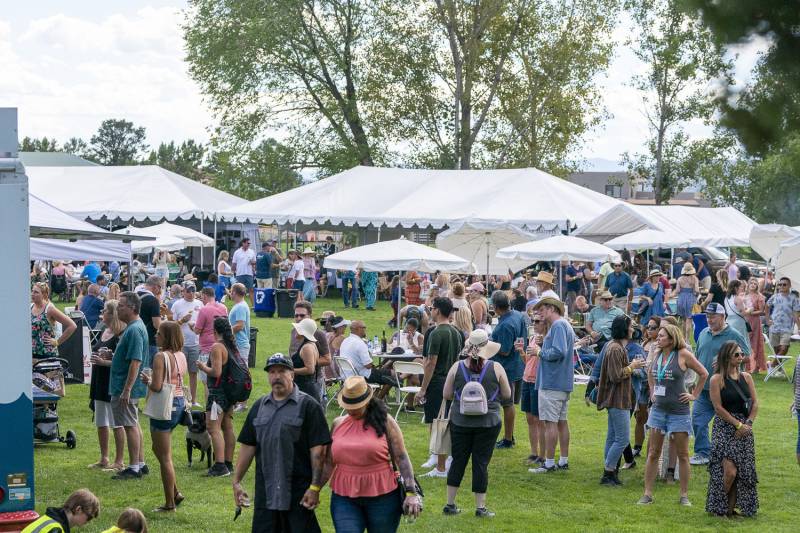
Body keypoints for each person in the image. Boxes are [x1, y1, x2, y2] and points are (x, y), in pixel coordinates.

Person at [232, 354, 332, 533]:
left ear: (292, 374)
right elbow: (248, 446)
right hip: (266, 494)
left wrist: (315, 487)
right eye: (272, 372)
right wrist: (237, 481)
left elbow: (320, 453)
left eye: (282, 371)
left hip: (298, 494)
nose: (276, 376)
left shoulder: (309, 406)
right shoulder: (259, 407)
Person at [321, 376, 422, 531]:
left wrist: (411, 492)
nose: (351, 409)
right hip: (344, 498)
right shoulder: (337, 423)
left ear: (367, 401)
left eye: (356, 405)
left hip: (383, 498)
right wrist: (314, 489)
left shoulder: (386, 422)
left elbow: (401, 457)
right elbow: (328, 462)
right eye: (348, 404)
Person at [442, 330, 511, 518]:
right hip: (488, 422)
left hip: (460, 421)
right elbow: (507, 395)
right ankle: (480, 507)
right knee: (480, 463)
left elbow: (447, 395)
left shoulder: (456, 367)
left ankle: (450, 504)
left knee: (458, 460)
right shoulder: (496, 367)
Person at [638, 324, 709, 506]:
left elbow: (703, 373)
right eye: (658, 335)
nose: (658, 338)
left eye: (661, 336)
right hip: (659, 411)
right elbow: (650, 373)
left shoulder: (683, 354)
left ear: (672, 338)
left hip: (679, 412)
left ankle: (684, 495)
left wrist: (694, 395)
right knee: (653, 452)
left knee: (683, 454)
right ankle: (647, 493)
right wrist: (653, 390)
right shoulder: (656, 352)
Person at [690, 302, 751, 466]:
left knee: (728, 423)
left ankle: (731, 454)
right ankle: (703, 452)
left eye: (713, 316)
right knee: (697, 420)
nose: (709, 320)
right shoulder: (703, 333)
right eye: (708, 316)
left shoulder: (734, 334)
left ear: (723, 316)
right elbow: (698, 356)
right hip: (704, 388)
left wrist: (726, 360)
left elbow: (746, 356)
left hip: (726, 388)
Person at [705, 341, 759, 517]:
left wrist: (748, 424)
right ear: (727, 356)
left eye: (742, 354)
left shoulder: (747, 377)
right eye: (737, 354)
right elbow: (718, 408)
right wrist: (737, 425)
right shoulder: (716, 379)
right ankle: (717, 507)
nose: (741, 357)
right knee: (729, 471)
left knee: (741, 472)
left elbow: (755, 403)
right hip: (725, 427)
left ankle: (729, 510)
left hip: (745, 428)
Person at [139, 321, 188, 512]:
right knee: (157, 449)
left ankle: (170, 503)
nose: (155, 336)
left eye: (159, 333)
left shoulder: (160, 356)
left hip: (164, 406)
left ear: (166, 337)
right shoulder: (181, 355)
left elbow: (157, 386)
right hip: (179, 403)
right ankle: (175, 492)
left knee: (165, 457)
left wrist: (147, 380)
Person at [595, 317, 646, 486]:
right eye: (631, 326)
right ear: (625, 329)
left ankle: (610, 471)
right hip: (618, 400)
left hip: (616, 399)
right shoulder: (616, 349)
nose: (633, 329)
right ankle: (608, 472)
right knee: (623, 439)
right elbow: (616, 375)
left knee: (612, 437)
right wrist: (633, 366)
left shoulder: (614, 347)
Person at [417, 297, 463, 477]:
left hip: (438, 382)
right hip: (453, 380)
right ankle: (442, 460)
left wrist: (422, 389)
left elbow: (430, 363)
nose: (430, 311)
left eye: (432, 308)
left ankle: (441, 467)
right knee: (446, 422)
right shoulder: (457, 332)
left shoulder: (436, 333)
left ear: (437, 310)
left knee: (439, 424)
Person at [528, 297, 575, 474]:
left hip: (552, 383)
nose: (539, 313)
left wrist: (539, 351)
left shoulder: (558, 326)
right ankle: (562, 460)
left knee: (550, 423)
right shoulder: (562, 325)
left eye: (541, 309)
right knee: (561, 422)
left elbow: (559, 351)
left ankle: (548, 463)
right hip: (561, 382)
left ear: (551, 309)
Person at [109, 292, 150, 480]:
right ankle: (140, 463)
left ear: (132, 308)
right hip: (126, 385)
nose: (118, 309)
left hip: (125, 386)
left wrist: (126, 390)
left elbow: (135, 361)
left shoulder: (134, 330)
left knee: (129, 424)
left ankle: (134, 467)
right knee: (133, 423)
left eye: (121, 306)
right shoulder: (134, 327)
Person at [198, 317, 239, 477]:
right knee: (227, 427)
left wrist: (203, 367)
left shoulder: (217, 346)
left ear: (214, 331)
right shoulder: (231, 346)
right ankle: (228, 463)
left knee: (213, 428)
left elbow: (216, 372)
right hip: (230, 393)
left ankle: (220, 465)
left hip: (218, 393)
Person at [88, 300, 126, 472]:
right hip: (99, 380)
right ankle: (104, 457)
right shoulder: (104, 330)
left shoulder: (121, 333)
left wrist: (104, 362)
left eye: (104, 311)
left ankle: (119, 460)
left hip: (112, 381)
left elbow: (123, 362)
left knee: (116, 422)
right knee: (101, 421)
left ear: (112, 313)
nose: (101, 313)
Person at [489, 291, 526, 449]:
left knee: (507, 404)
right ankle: (509, 436)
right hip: (518, 365)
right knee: (508, 404)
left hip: (506, 369)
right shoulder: (518, 315)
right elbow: (522, 340)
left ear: (496, 307)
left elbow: (504, 350)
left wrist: (488, 344)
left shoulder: (505, 325)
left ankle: (508, 438)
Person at [339, 320, 396, 398]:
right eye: (364, 327)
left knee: (383, 372)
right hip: (362, 376)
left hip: (347, 375)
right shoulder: (359, 343)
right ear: (357, 329)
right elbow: (368, 365)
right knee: (393, 374)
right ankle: (378, 400)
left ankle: (375, 398)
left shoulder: (345, 341)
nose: (365, 329)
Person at [193, 287, 228, 406]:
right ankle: (220, 404)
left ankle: (210, 406)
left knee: (207, 382)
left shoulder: (204, 310)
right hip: (223, 347)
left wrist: (191, 326)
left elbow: (197, 330)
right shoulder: (223, 307)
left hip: (207, 348)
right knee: (220, 379)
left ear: (204, 295)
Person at [170, 281, 203, 406]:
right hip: (180, 344)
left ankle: (193, 400)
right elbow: (171, 325)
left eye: (193, 290)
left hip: (195, 343)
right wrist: (182, 320)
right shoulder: (177, 305)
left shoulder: (199, 304)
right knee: (179, 373)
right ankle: (181, 400)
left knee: (193, 373)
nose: (191, 293)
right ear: (183, 291)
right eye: (188, 291)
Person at [522, 312, 546, 466]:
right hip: (527, 379)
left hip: (538, 382)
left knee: (539, 420)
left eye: (538, 321)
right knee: (530, 418)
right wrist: (521, 353)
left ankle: (542, 455)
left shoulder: (546, 340)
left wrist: (542, 346)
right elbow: (528, 361)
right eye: (533, 321)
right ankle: (533, 452)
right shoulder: (532, 338)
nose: (535, 324)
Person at [31, 282, 76, 361]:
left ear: (44, 295)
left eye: (36, 292)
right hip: (31, 353)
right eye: (32, 291)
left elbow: (72, 325)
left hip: (47, 354)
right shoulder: (30, 307)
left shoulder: (49, 309)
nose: (32, 294)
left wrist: (57, 342)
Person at [21, 489, 99, 533]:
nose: (88, 521)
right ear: (78, 509)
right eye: (89, 517)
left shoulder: (48, 519)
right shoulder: (56, 530)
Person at [766, 276, 800, 363]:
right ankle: (779, 369)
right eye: (779, 285)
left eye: (784, 285)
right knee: (777, 350)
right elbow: (767, 306)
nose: (781, 286)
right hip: (774, 327)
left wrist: (799, 328)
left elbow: (796, 315)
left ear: (789, 286)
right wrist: (767, 319)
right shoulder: (775, 296)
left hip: (787, 328)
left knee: (784, 348)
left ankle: (772, 365)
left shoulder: (794, 298)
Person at [291, 318, 322, 402]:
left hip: (305, 390)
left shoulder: (307, 347)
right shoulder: (309, 344)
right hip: (305, 388)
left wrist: (291, 370)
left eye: (298, 329)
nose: (295, 330)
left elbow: (310, 369)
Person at [136, 275, 162, 363]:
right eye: (160, 287)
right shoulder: (153, 300)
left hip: (135, 336)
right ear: (155, 287)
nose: (160, 291)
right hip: (149, 339)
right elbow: (157, 324)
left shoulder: (134, 296)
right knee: (148, 371)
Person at [744, 278, 766, 374]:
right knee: (745, 342)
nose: (753, 285)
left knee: (755, 343)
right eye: (751, 283)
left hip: (755, 321)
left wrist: (752, 312)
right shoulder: (744, 296)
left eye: (755, 283)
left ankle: (756, 366)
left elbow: (762, 311)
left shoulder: (759, 297)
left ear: (757, 286)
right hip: (745, 320)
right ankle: (747, 365)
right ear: (748, 285)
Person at [724, 280, 752, 353]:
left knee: (730, 341)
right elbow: (743, 313)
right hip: (738, 322)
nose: (741, 289)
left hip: (729, 320)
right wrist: (750, 309)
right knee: (740, 341)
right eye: (740, 287)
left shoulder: (726, 298)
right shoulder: (737, 298)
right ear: (736, 288)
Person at [228, 282, 251, 367]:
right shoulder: (240, 305)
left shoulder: (240, 307)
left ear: (234, 292)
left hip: (240, 344)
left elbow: (240, 325)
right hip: (238, 344)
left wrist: (225, 332)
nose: (230, 293)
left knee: (242, 372)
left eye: (231, 291)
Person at [675, 263, 700, 340]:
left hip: (681, 299)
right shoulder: (694, 279)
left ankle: (683, 338)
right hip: (691, 298)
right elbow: (696, 290)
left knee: (683, 320)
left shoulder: (679, 279)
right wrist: (697, 295)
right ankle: (687, 340)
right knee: (689, 320)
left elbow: (677, 290)